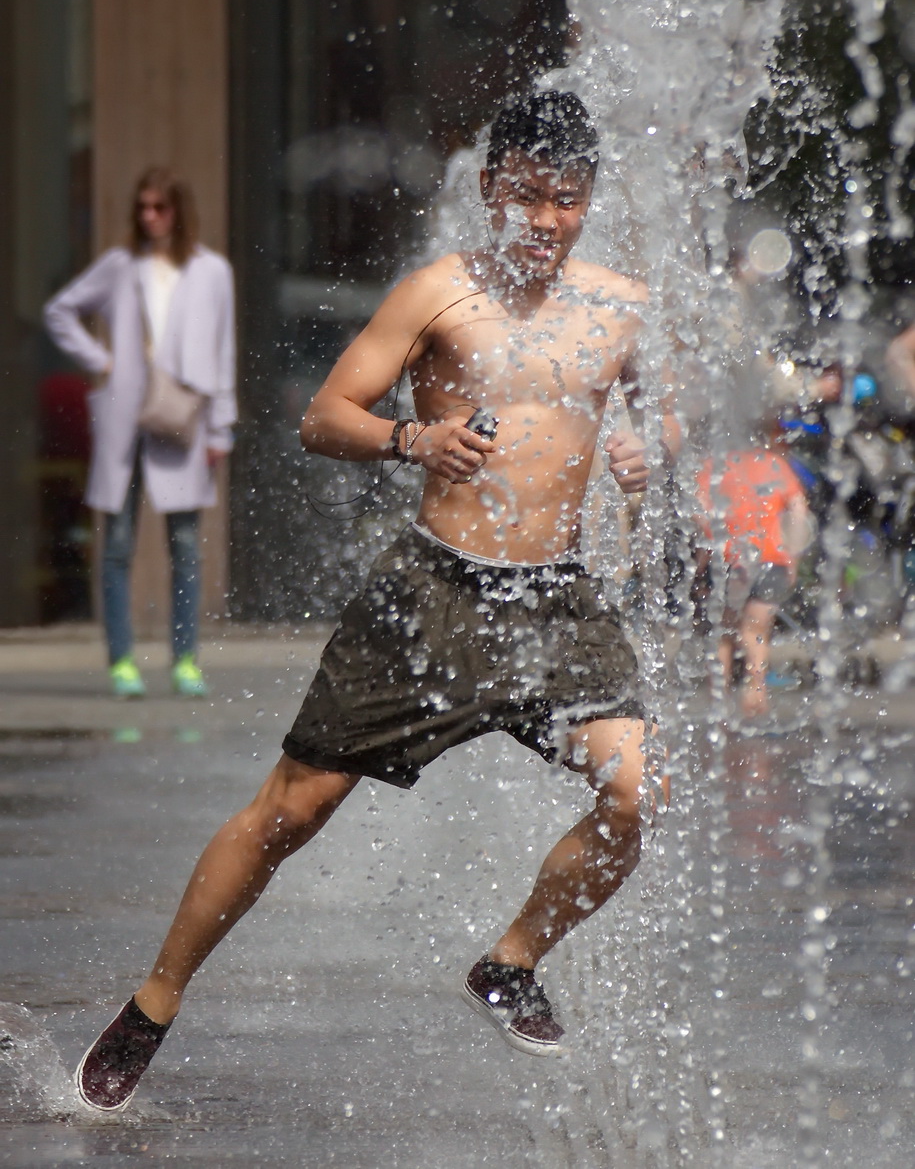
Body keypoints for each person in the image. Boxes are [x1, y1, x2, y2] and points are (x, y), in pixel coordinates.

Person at [73, 93, 675, 1113]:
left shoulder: (621, 307)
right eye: (526, 195)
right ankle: (154, 999)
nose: (546, 218)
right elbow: (323, 417)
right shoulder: (437, 293)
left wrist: (640, 451)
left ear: (588, 203)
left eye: (566, 200)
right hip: (433, 594)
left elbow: (659, 425)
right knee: (292, 807)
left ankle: (511, 961)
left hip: (557, 603)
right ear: (491, 191)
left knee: (635, 792)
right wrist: (415, 439)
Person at [43, 167, 236, 698]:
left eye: (160, 207)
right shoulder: (118, 266)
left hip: (182, 415)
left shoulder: (211, 271)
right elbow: (60, 310)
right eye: (143, 207)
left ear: (179, 210)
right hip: (125, 416)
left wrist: (222, 426)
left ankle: (185, 660)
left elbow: (223, 352)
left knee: (185, 546)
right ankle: (122, 660)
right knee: (118, 545)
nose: (150, 217)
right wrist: (100, 359)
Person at [696, 439, 811, 715]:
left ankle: (718, 700)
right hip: (771, 558)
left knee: (723, 631)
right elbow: (798, 511)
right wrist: (792, 556)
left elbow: (700, 514)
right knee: (756, 630)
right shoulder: (775, 465)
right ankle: (756, 689)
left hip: (728, 559)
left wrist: (701, 560)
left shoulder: (712, 466)